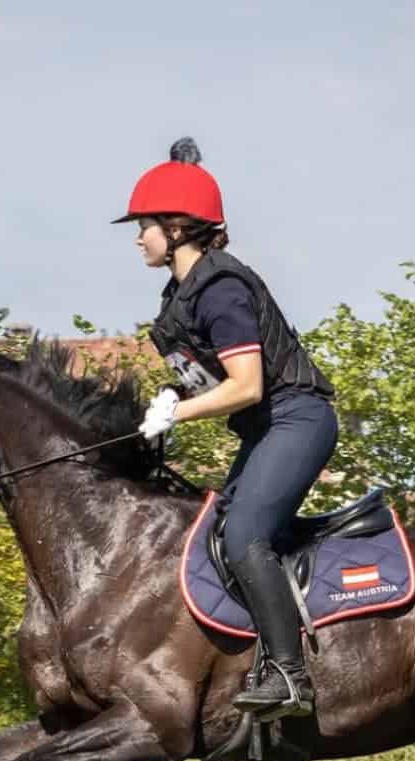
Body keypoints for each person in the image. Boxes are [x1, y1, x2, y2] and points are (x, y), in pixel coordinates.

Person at [114, 137, 338, 722]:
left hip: (297, 418)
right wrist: (171, 398)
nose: (138, 237)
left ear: (178, 226)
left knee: (242, 538)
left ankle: (290, 678)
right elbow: (204, 379)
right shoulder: (180, 298)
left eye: (144, 225)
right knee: (213, 532)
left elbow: (246, 386)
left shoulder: (222, 290)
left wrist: (179, 413)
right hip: (268, 429)